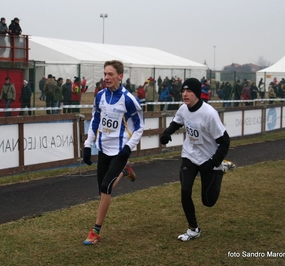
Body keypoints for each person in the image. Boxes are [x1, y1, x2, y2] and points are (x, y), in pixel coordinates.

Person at [159, 78, 230, 242]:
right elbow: (176, 122)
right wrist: (166, 133)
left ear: (197, 93)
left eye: (189, 91)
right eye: (183, 91)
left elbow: (225, 142)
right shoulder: (183, 108)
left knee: (208, 201)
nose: (185, 94)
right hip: (189, 154)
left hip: (209, 159)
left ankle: (220, 169)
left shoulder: (209, 114)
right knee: (185, 191)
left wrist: (213, 162)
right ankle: (193, 229)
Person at [82, 60, 145, 245]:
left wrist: (128, 147)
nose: (107, 78)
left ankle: (95, 231)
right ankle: (125, 172)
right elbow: (95, 121)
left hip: (120, 150)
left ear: (120, 76)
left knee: (105, 188)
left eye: (110, 74)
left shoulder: (129, 99)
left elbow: (140, 127)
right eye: (105, 74)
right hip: (103, 148)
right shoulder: (100, 96)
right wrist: (88, 145)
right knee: (102, 189)